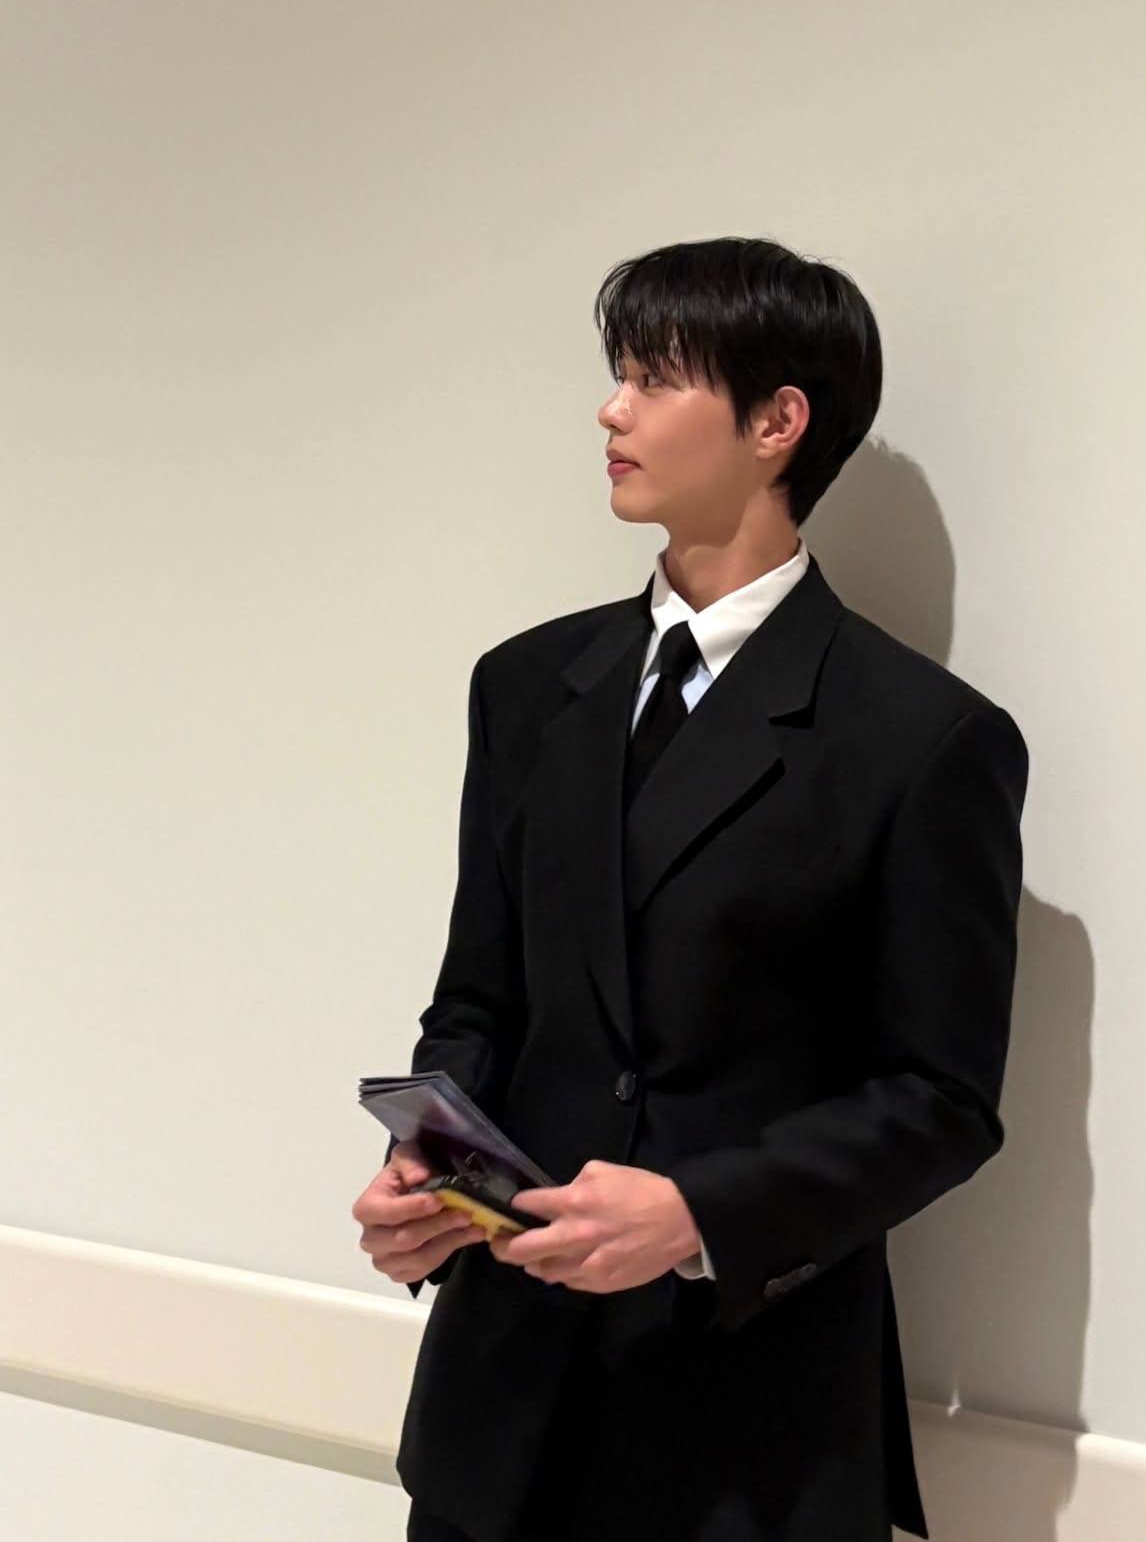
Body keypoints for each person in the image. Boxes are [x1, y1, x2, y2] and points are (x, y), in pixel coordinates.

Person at [351, 235, 1030, 1542]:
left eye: (655, 378)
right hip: (501, 1411)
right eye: (618, 375)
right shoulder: (527, 687)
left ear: (778, 424)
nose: (612, 411)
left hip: (747, 1432)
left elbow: (941, 1100)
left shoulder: (922, 738)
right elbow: (480, 1001)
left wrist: (696, 1215)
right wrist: (427, 1169)